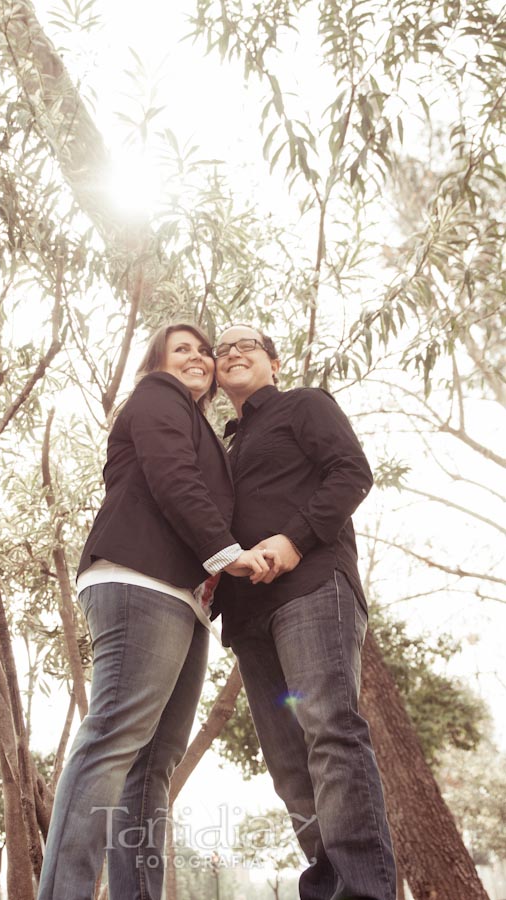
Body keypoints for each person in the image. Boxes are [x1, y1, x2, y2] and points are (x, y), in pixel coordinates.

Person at [37, 323, 271, 900]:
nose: (197, 357)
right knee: (112, 739)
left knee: (153, 764)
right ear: (157, 363)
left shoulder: (201, 424)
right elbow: (173, 477)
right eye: (181, 349)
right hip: (138, 580)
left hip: (183, 597)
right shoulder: (157, 396)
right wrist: (227, 555)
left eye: (202, 350)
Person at [213, 323, 397, 900]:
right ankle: (326, 889)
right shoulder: (222, 447)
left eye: (245, 344)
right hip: (247, 617)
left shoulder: (305, 405)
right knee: (290, 765)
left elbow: (352, 473)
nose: (231, 353)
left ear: (273, 361)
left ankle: (365, 892)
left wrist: (293, 539)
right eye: (221, 350)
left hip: (313, 589)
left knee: (330, 734)